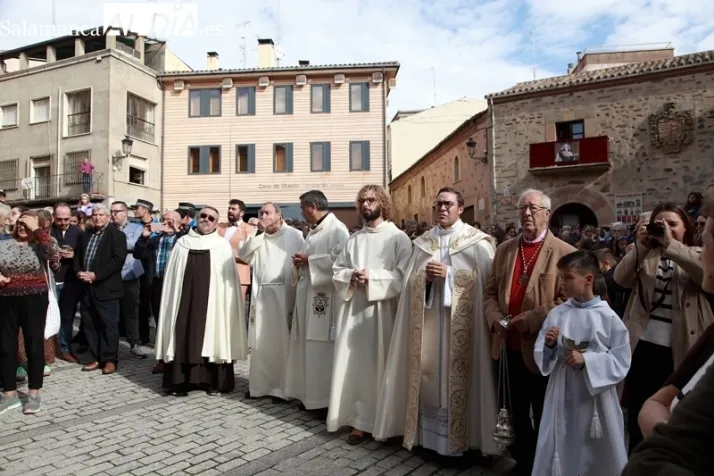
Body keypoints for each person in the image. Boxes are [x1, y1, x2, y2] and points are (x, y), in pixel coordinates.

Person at [374, 187, 499, 461]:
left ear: (460, 208)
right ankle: (429, 441)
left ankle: (467, 444)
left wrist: (451, 275)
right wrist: (426, 281)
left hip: (463, 330)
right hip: (429, 327)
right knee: (428, 379)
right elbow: (408, 285)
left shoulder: (477, 244)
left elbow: (487, 285)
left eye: (448, 204)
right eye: (438, 204)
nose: (442, 209)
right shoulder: (423, 243)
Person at [482, 189, 575, 476]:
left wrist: (533, 319)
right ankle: (524, 464)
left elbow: (567, 300)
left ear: (547, 213)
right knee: (515, 410)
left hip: (541, 349)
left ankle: (548, 465)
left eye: (533, 208)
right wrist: (495, 318)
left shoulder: (565, 253)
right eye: (523, 208)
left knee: (545, 411)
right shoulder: (505, 250)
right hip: (506, 346)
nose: (526, 213)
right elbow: (489, 292)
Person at [614, 201, 713, 452]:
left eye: (673, 224)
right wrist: (641, 246)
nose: (666, 228)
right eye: (661, 223)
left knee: (674, 411)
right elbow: (620, 279)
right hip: (643, 346)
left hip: (681, 346)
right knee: (638, 410)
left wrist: (671, 245)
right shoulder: (646, 254)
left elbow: (703, 275)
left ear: (685, 228)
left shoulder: (698, 252)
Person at [532, 250, 630, 476]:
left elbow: (621, 360)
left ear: (587, 280)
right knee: (562, 439)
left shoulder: (608, 318)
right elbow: (542, 354)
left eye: (567, 277)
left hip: (595, 399)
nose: (562, 283)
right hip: (562, 391)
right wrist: (549, 345)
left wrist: (587, 359)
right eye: (561, 277)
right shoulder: (557, 313)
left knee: (595, 450)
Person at [328, 186, 412, 444]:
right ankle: (360, 422)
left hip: (384, 313)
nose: (366, 204)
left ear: (383, 203)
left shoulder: (398, 238)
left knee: (383, 366)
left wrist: (373, 277)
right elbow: (337, 270)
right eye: (362, 200)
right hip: (355, 312)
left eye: (371, 199)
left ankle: (387, 422)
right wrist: (351, 276)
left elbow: (404, 276)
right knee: (357, 367)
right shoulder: (354, 239)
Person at [155, 206, 247, 396]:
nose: (206, 219)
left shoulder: (222, 246)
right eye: (203, 216)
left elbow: (228, 282)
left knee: (213, 334)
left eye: (211, 218)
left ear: (216, 222)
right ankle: (180, 382)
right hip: (183, 299)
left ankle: (213, 382)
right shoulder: (182, 243)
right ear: (198, 218)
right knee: (182, 332)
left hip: (213, 301)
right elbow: (172, 278)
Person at [285, 191, 349, 412]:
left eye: (303, 208)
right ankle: (309, 396)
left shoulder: (337, 230)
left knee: (321, 347)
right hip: (307, 290)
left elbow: (340, 261)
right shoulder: (313, 231)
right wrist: (301, 261)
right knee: (306, 344)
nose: (301, 212)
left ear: (312, 207)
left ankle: (324, 401)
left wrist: (308, 260)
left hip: (324, 296)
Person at [239, 202, 304, 401]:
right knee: (261, 342)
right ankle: (260, 387)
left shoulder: (293, 235)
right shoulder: (259, 235)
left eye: (267, 212)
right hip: (263, 295)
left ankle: (282, 389)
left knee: (282, 343)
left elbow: (300, 263)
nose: (263, 215)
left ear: (278, 215)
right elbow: (244, 255)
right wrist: (258, 233)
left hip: (284, 295)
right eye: (261, 213)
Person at [0, 211, 60, 415]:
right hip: (6, 300)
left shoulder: (41, 244)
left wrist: (37, 229)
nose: (22, 227)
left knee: (34, 345)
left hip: (35, 299)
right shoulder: (4, 244)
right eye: (20, 223)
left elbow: (54, 255)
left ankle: (34, 393)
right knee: (6, 347)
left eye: (27, 224)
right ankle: (10, 395)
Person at [74, 204, 127, 375]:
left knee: (109, 325)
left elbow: (117, 261)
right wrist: (79, 272)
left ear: (108, 217)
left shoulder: (117, 235)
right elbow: (77, 256)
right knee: (90, 324)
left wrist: (96, 275)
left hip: (106, 288)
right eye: (95, 215)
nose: (97, 218)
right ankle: (96, 357)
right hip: (86, 287)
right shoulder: (86, 235)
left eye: (101, 215)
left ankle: (110, 359)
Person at [133, 210, 186, 374]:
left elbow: (188, 245)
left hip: (176, 285)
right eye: (164, 220)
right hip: (156, 284)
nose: (166, 224)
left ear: (178, 223)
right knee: (160, 322)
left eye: (170, 221)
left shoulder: (183, 239)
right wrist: (144, 236)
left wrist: (177, 231)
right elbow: (138, 254)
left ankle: (178, 358)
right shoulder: (154, 240)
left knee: (177, 322)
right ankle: (162, 358)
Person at [109, 201, 147, 359]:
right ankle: (111, 346)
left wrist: (115, 244)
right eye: (111, 211)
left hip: (131, 275)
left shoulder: (137, 227)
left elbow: (134, 244)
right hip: (112, 275)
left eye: (116, 211)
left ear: (125, 213)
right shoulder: (108, 228)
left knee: (131, 311)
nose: (113, 214)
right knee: (112, 312)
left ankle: (134, 343)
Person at [51, 202, 84, 363]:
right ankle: (48, 351)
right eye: (59, 219)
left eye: (66, 219)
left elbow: (84, 255)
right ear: (53, 217)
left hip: (70, 281)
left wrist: (73, 256)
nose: (63, 222)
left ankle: (65, 349)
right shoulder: (47, 231)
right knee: (48, 317)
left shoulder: (77, 232)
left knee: (67, 318)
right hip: (51, 281)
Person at [217, 199, 256, 304]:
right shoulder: (219, 227)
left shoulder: (250, 229)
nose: (230, 211)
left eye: (233, 209)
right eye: (229, 208)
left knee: (237, 307)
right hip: (219, 274)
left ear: (242, 213)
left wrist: (231, 253)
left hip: (240, 274)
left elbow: (251, 253)